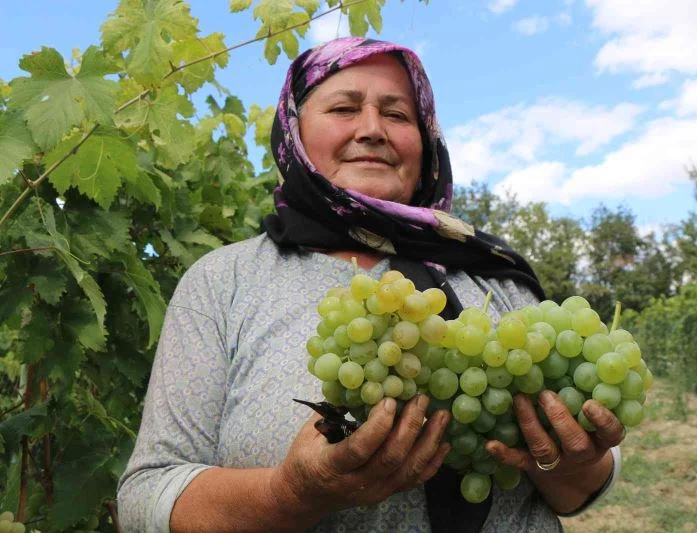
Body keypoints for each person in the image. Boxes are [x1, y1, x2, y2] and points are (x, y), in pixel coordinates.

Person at [117, 37, 624, 533]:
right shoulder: (224, 281)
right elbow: (146, 499)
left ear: (426, 142)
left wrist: (570, 462)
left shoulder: (492, 273)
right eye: (344, 108)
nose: (373, 130)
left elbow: (580, 490)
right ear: (293, 132)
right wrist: (289, 495)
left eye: (398, 115)